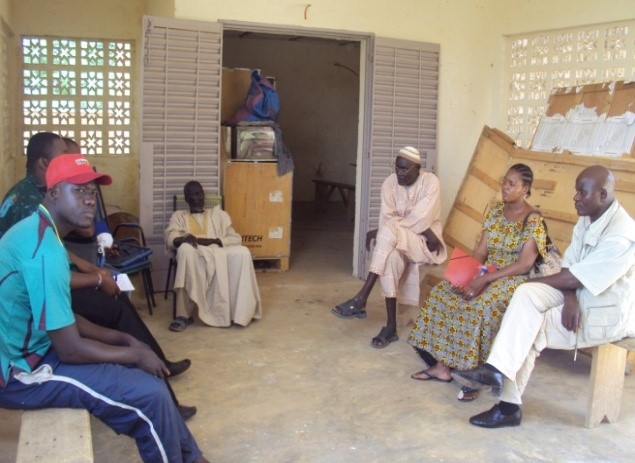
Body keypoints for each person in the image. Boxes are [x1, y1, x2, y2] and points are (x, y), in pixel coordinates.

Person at [0, 154, 209, 462]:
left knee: (145, 374)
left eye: (91, 191)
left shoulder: (42, 230)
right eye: (78, 190)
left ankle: (193, 458)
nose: (89, 200)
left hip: (40, 346)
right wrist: (134, 354)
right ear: (53, 193)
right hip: (20, 372)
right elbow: (70, 349)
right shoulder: (44, 251)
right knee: (149, 395)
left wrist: (123, 339)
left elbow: (63, 319)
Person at [452, 165, 635, 428]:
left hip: (604, 312)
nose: (575, 197)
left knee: (530, 325)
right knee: (526, 293)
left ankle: (507, 406)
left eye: (582, 192)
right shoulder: (589, 217)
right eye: (576, 191)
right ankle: (497, 370)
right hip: (579, 295)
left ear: (602, 195)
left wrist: (545, 283)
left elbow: (573, 278)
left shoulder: (621, 235)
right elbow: (569, 268)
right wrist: (569, 298)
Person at [407, 164, 547, 402]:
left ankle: (471, 377)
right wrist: (466, 275)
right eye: (504, 181)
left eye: (512, 184)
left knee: (479, 306)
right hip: (488, 270)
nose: (505, 187)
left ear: (525, 189)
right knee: (444, 292)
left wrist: (484, 279)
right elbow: (481, 252)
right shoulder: (495, 211)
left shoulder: (533, 221)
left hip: (512, 278)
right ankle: (442, 366)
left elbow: (524, 264)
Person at [331, 146, 447, 348]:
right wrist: (400, 226)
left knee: (387, 231)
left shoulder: (430, 182)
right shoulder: (389, 183)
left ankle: (361, 298)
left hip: (424, 244)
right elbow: (388, 217)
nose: (399, 173)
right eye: (397, 168)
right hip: (400, 240)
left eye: (405, 169)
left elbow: (420, 219)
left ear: (417, 168)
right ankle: (391, 327)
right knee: (390, 259)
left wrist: (397, 227)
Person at [165, 180, 262, 331]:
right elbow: (171, 238)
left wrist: (215, 240)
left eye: (201, 193)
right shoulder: (179, 216)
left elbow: (236, 238)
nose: (199, 197)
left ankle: (240, 312)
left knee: (243, 252)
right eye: (194, 194)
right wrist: (182, 239)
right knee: (184, 249)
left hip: (218, 251)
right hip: (194, 254)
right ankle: (183, 315)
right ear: (187, 199)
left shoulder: (218, 215)